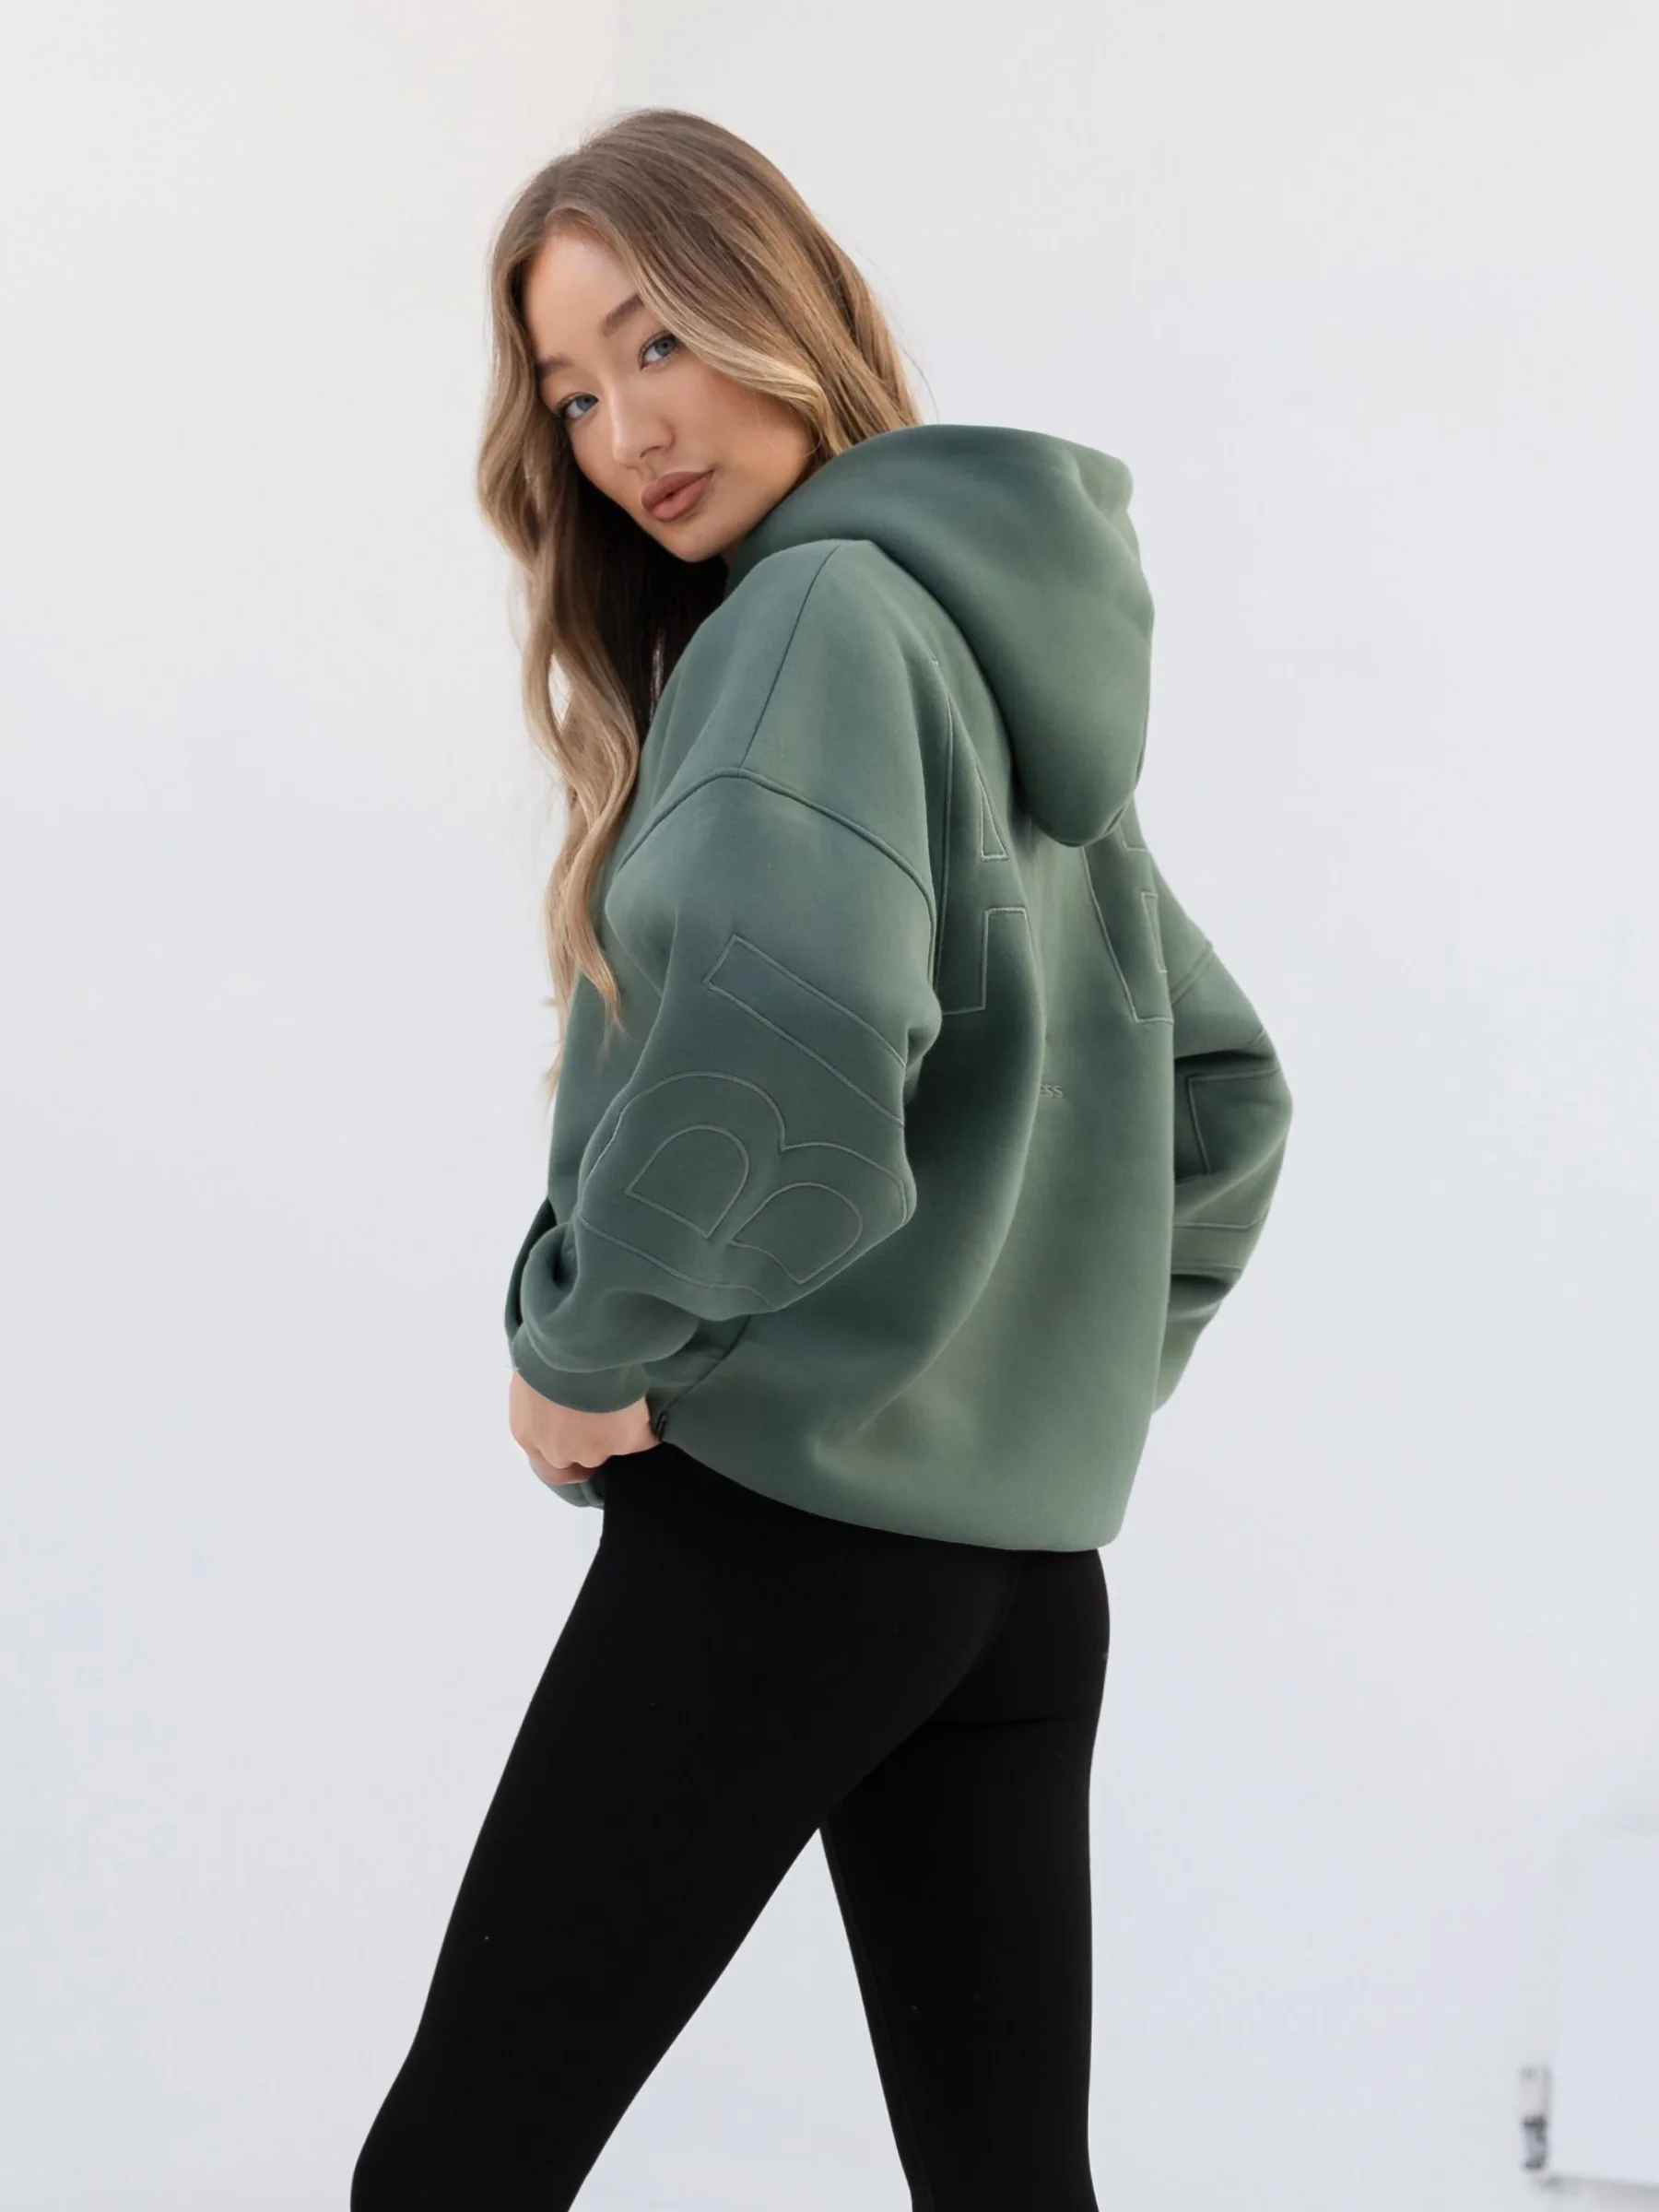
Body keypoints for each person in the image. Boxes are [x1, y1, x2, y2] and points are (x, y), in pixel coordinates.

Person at [351, 105, 1293, 2212]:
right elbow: (1224, 1099)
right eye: (570, 393)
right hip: (1017, 1584)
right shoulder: (988, 645)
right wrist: (1027, 1384)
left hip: (787, 1551)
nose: (623, 432)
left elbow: (781, 1054)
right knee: (1008, 2187)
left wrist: (590, 1344)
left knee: (456, 2166)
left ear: (782, 309)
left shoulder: (813, 621)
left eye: (658, 340)